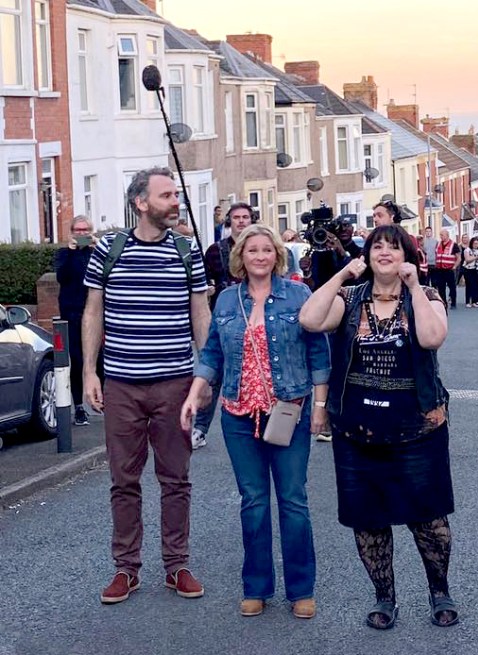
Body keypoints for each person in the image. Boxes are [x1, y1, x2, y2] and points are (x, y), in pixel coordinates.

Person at [299, 224, 459, 630]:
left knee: (429, 518)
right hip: (358, 431)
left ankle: (439, 590)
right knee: (369, 519)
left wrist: (416, 286)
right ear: (367, 255)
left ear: (407, 254)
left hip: (417, 428)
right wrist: (341, 274)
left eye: (394, 246)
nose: (384, 252)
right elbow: (310, 320)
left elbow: (432, 337)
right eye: (377, 247)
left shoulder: (428, 297)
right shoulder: (350, 299)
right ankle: (384, 597)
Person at [181, 224, 330, 619]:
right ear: (241, 257)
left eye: (267, 250)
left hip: (289, 412)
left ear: (277, 255)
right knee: (254, 503)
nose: (260, 256)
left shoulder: (298, 294)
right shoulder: (228, 301)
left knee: (293, 501)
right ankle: (257, 587)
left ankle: (301, 589)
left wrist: (319, 405)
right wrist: (196, 392)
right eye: (252, 250)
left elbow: (318, 351)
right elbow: (212, 350)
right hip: (238, 415)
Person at [82, 167, 211, 604]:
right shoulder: (108, 248)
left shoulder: (185, 249)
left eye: (175, 194)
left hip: (175, 383)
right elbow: (93, 311)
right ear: (141, 202)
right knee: (124, 480)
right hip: (121, 384)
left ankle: (177, 566)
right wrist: (88, 373)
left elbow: (200, 312)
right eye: (167, 195)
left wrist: (205, 373)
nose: (176, 201)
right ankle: (126, 569)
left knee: (176, 479)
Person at [194, 203, 256, 450]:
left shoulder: (262, 246)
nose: (241, 221)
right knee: (213, 373)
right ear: (229, 221)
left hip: (256, 318)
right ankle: (200, 427)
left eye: (245, 217)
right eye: (236, 217)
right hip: (225, 318)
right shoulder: (215, 251)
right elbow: (203, 281)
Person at [55, 215, 99, 426]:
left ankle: (102, 399)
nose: (81, 234)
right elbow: (62, 277)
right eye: (78, 230)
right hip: (72, 313)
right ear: (72, 232)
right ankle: (79, 407)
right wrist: (72, 252)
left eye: (85, 230)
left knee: (100, 358)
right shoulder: (64, 254)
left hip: (97, 313)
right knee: (77, 360)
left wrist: (99, 249)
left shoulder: (96, 252)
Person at [433, 229, 461, 308]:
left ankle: (453, 302)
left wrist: (455, 266)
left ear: (447, 235)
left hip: (449, 269)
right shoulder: (438, 244)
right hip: (439, 269)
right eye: (440, 235)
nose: (441, 237)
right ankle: (443, 302)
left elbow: (458, 258)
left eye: (442, 235)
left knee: (452, 287)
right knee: (441, 288)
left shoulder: (453, 245)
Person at [462, 236, 478, 307]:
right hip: (468, 269)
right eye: (474, 243)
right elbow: (467, 259)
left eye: (477, 244)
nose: (475, 245)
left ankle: (474, 301)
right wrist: (476, 257)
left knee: (475, 285)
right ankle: (468, 301)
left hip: (476, 269)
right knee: (469, 285)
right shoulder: (467, 250)